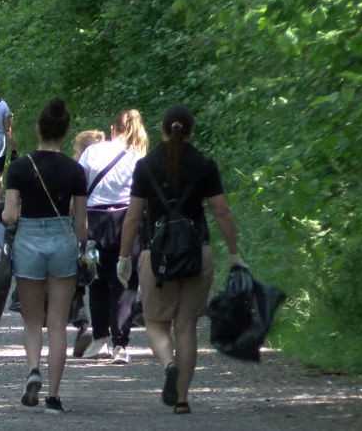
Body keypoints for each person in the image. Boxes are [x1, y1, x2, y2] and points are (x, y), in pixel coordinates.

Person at [118, 105, 245, 414]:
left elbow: (133, 217)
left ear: (162, 129)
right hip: (196, 254)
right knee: (185, 326)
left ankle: (169, 363)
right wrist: (233, 253)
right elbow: (221, 211)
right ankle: (183, 399)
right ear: (190, 131)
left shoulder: (146, 165)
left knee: (155, 322)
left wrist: (124, 257)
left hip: (157, 256)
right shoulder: (204, 164)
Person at [1, 98, 88, 415]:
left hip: (29, 242)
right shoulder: (76, 171)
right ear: (65, 132)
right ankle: (53, 397)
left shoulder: (20, 167)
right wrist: (83, 251)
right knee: (57, 324)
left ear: (38, 129)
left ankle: (33, 369)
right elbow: (81, 224)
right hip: (63, 241)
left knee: (32, 320)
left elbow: (10, 215)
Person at [77, 110, 149, 364]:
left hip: (94, 218)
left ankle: (99, 341)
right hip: (126, 219)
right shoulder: (137, 158)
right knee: (125, 280)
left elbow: (80, 188)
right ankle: (121, 346)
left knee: (95, 280)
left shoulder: (91, 152)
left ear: (112, 128)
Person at [69, 130, 106, 357]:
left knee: (80, 279)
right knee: (103, 278)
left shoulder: (79, 169)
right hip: (110, 222)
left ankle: (83, 325)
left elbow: (73, 204)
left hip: (84, 225)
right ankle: (108, 331)